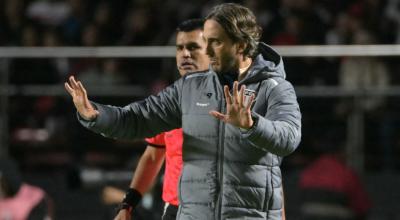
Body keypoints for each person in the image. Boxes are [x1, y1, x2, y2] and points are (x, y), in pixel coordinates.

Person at [65, 3, 301, 219]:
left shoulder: (275, 87)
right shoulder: (190, 88)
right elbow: (137, 119)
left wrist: (252, 125)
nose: (207, 51)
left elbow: (288, 138)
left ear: (240, 44)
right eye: (205, 41)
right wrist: (95, 114)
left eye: (215, 42)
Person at [111, 18, 210, 220]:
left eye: (193, 47)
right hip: (175, 210)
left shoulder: (234, 101)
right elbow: (153, 156)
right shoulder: (168, 103)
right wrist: (127, 205)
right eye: (180, 48)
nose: (185, 55)